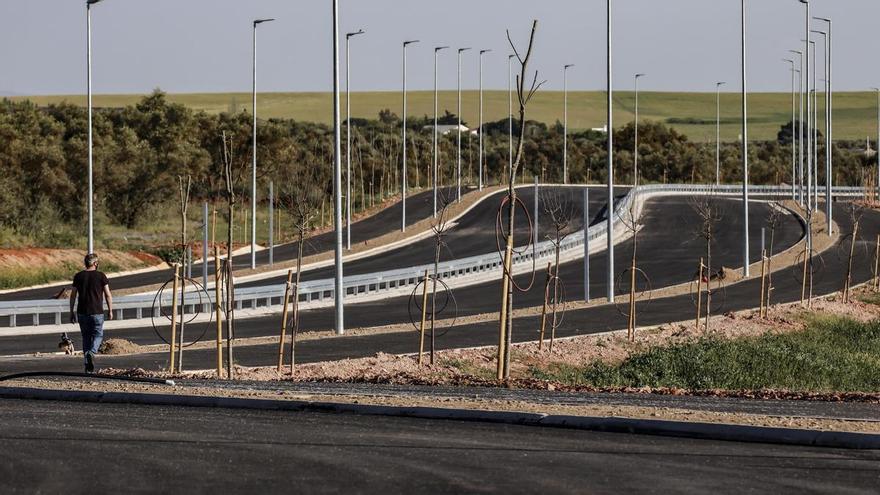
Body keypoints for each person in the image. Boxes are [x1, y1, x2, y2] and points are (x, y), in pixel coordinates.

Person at [69, 253, 114, 373]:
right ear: (95, 263)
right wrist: (110, 310)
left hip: (82, 312)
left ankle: (87, 364)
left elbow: (73, 296)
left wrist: (71, 312)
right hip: (97, 312)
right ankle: (92, 352)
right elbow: (108, 295)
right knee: (98, 335)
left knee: (86, 337)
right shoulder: (101, 276)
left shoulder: (78, 276)